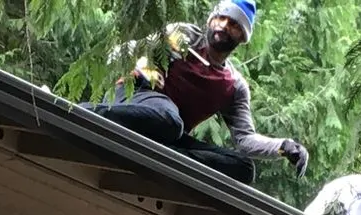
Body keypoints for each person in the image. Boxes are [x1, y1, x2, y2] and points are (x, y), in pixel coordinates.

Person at [80, 0, 309, 184]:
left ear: (242, 36)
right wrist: (145, 65)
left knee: (243, 168)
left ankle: (164, 158)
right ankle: (81, 113)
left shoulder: (234, 85)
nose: (223, 25)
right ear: (211, 19)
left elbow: (244, 139)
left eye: (233, 24)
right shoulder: (185, 36)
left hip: (170, 131)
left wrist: (283, 146)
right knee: (170, 119)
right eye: (220, 17)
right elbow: (124, 51)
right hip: (135, 96)